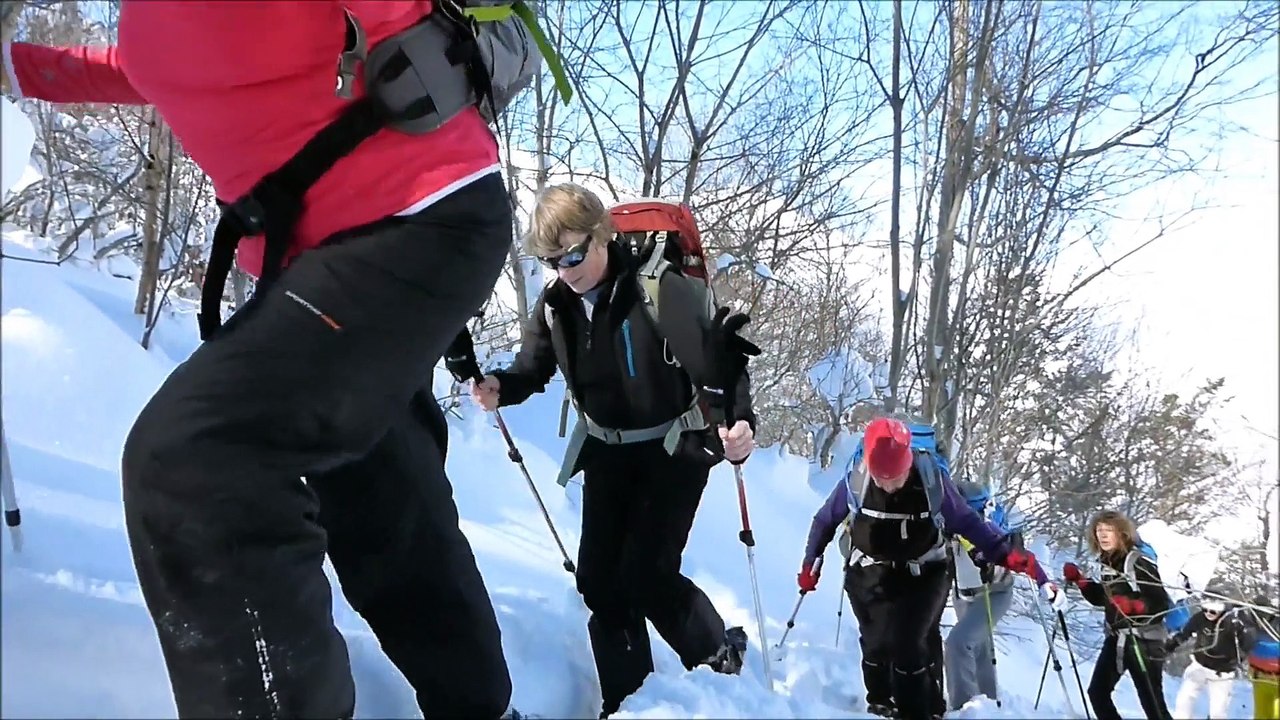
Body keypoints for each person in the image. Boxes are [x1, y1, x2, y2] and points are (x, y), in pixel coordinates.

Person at [2, 4, 537, 717]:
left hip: (419, 222)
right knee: (379, 486)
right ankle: (480, 704)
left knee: (198, 459)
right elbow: (149, 69)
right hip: (328, 262)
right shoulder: (153, 21)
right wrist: (16, 67)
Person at [469, 183, 760, 719]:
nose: (566, 268)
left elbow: (719, 363)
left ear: (601, 234)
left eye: (575, 253)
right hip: (608, 451)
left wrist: (738, 424)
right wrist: (500, 387)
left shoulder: (657, 288)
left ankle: (717, 658)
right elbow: (533, 368)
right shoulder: (557, 305)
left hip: (675, 449)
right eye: (553, 259)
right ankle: (629, 703)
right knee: (599, 581)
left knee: (648, 572)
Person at [798, 417, 1064, 720]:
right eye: (881, 477)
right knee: (876, 644)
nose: (888, 484)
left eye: (896, 476)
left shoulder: (931, 479)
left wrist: (1007, 555)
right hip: (869, 572)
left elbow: (967, 523)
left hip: (925, 574)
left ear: (908, 462)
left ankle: (921, 712)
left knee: (909, 645)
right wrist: (811, 563)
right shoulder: (857, 480)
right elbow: (824, 521)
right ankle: (880, 702)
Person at [1062, 510, 1174, 720]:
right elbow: (1103, 600)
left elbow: (1160, 602)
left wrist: (1135, 605)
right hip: (1117, 638)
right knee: (1097, 693)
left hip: (1144, 640)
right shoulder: (1107, 562)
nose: (1102, 535)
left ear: (1121, 533)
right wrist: (1081, 581)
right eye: (1099, 530)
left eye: (1108, 530)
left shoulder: (1138, 561)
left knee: (1153, 705)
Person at [943, 480, 1028, 711]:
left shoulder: (986, 523)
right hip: (963, 593)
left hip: (994, 592)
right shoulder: (946, 522)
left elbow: (1014, 551)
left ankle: (964, 710)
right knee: (979, 649)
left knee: (958, 644)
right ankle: (989, 706)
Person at [1167, 598, 1256, 719]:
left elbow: (1247, 644)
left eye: (1213, 612)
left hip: (1222, 672)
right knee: (1184, 700)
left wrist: (1244, 631)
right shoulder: (1200, 618)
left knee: (1217, 712)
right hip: (1199, 665)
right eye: (1205, 610)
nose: (1208, 614)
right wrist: (1171, 645)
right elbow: (1185, 633)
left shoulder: (1232, 622)